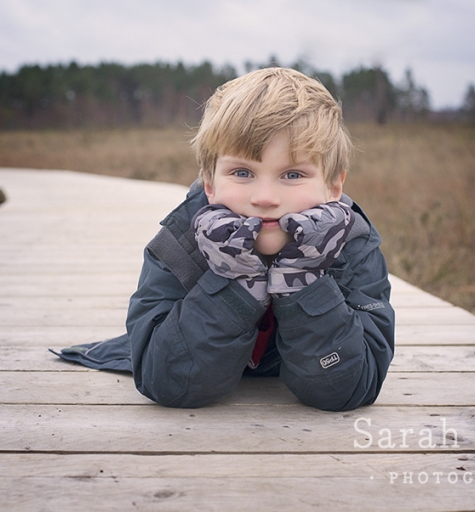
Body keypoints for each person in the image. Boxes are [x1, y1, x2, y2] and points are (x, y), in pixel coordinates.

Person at [54, 67, 394, 411]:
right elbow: (166, 382)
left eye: (293, 174)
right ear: (209, 183)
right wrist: (235, 284)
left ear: (335, 186)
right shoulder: (182, 240)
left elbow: (352, 387)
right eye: (242, 173)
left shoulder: (354, 246)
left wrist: (303, 281)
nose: (265, 197)